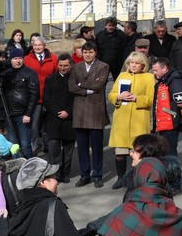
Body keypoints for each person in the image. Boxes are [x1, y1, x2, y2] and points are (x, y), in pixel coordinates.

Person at [108, 52, 155, 189]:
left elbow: (151, 99)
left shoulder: (148, 77)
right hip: (121, 119)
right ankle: (121, 178)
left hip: (139, 119)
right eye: (131, 63)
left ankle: (136, 180)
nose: (133, 65)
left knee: (138, 153)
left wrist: (137, 98)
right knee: (120, 152)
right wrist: (119, 97)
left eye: (136, 63)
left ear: (143, 65)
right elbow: (111, 95)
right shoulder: (122, 75)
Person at [69, 40, 110, 188]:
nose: (87, 55)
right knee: (82, 147)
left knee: (97, 147)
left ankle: (97, 175)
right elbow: (71, 87)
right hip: (79, 110)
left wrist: (81, 85)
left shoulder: (103, 66)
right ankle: (84, 175)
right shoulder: (76, 67)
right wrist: (87, 90)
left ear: (95, 53)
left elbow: (99, 85)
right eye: (85, 52)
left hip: (95, 110)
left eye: (90, 52)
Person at [151, 58, 182, 194]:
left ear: (164, 68)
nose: (154, 73)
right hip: (162, 124)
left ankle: (175, 185)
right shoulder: (164, 80)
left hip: (170, 125)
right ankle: (167, 183)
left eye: (156, 70)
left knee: (171, 156)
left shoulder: (174, 81)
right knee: (164, 155)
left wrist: (178, 118)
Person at [0, 48, 38, 158]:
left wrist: (28, 114)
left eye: (20, 58)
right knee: (13, 146)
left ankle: (29, 166)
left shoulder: (30, 73)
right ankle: (16, 167)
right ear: (11, 60)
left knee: (25, 145)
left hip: (23, 114)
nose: (18, 61)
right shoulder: (7, 74)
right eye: (15, 59)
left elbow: (34, 95)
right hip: (9, 114)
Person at [43, 54, 76, 183]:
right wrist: (57, 112)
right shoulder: (50, 79)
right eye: (60, 65)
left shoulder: (75, 79)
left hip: (70, 120)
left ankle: (65, 173)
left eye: (65, 66)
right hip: (54, 120)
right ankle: (54, 174)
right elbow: (46, 99)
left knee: (68, 150)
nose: (63, 68)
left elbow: (77, 99)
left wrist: (68, 112)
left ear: (71, 65)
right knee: (54, 150)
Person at [23, 35, 58, 155]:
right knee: (34, 125)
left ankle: (48, 145)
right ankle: (34, 146)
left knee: (47, 124)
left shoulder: (53, 58)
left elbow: (56, 74)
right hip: (34, 97)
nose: (37, 47)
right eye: (35, 45)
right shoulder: (27, 59)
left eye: (40, 45)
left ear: (44, 45)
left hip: (49, 96)